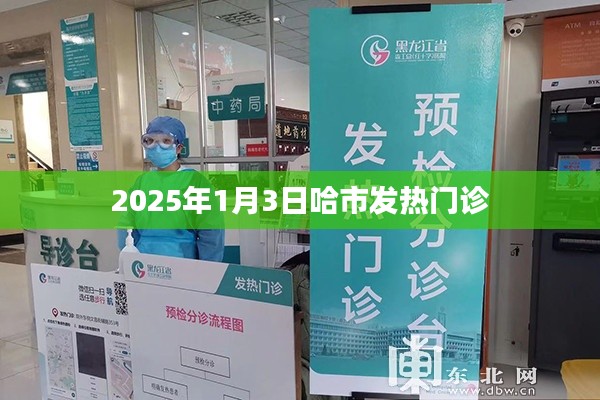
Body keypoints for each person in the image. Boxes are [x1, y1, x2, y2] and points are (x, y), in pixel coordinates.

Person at [117, 116, 224, 261]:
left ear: (179, 148)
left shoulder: (195, 182)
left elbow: (211, 231)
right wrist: (129, 255)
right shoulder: (142, 182)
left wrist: (208, 268)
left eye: (166, 141)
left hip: (183, 263)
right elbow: (126, 223)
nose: (157, 147)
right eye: (150, 141)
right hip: (143, 262)